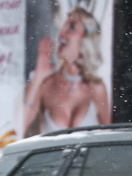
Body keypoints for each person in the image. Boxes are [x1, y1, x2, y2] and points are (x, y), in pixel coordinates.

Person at [24, 6, 110, 136]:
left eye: (72, 26)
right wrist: (38, 75)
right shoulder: (46, 84)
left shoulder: (97, 88)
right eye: (64, 25)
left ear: (86, 38)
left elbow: (107, 138)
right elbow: (20, 126)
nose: (62, 31)